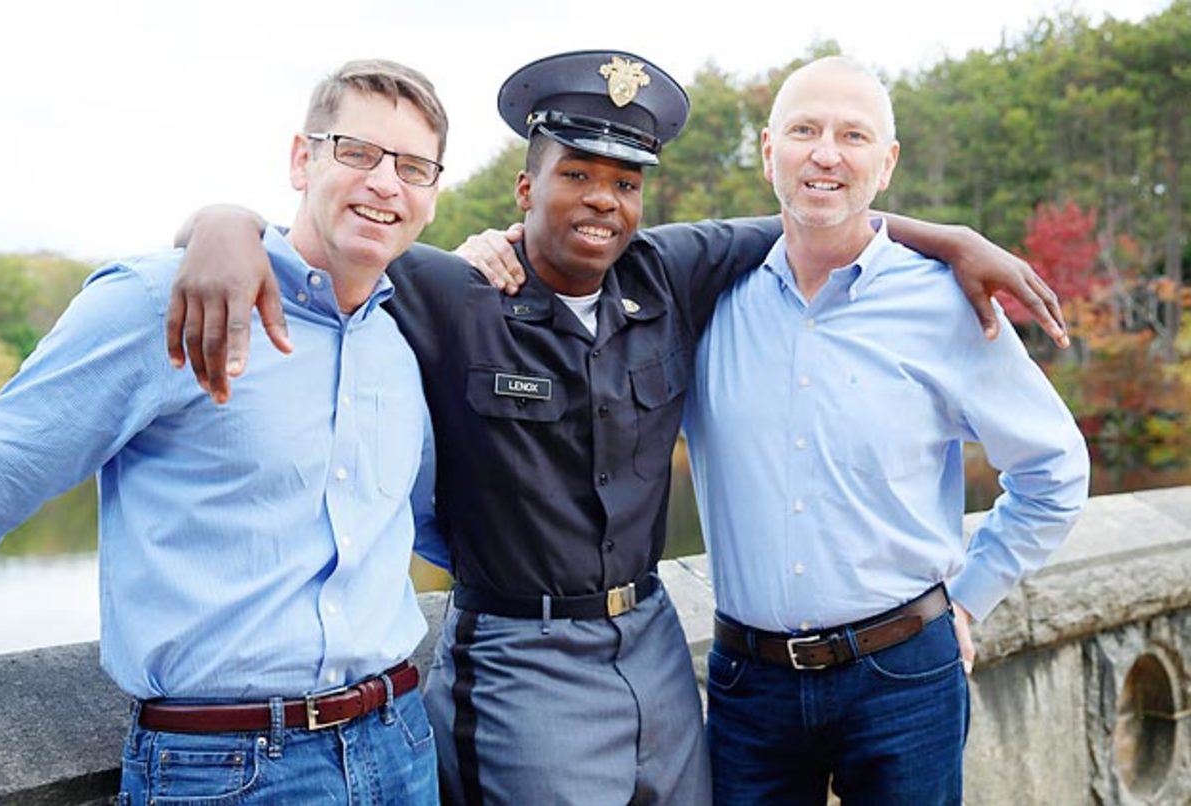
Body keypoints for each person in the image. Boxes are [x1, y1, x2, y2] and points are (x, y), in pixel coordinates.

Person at [167, 51, 1068, 806]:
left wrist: (953, 238)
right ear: (527, 187)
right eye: (578, 176)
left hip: (676, 652)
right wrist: (220, 224)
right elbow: (333, 234)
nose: (602, 199)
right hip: (545, 664)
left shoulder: (670, 274)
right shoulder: (455, 290)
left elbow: (823, 210)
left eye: (624, 181)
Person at [0, 59, 449, 804]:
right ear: (303, 159)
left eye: (413, 166)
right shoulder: (159, 303)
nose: (384, 182)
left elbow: (431, 520)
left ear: (432, 191)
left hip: (398, 745)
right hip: (224, 769)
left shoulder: (401, 345)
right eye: (357, 152)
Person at [680, 57, 1090, 804]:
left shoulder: (948, 304)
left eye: (853, 134)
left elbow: (1054, 472)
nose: (826, 153)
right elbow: (584, 253)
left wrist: (969, 596)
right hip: (749, 687)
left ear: (887, 161)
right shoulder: (706, 299)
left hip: (904, 673)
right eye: (805, 130)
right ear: (769, 150)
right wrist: (494, 250)